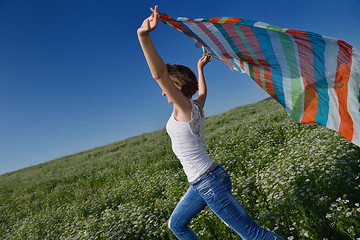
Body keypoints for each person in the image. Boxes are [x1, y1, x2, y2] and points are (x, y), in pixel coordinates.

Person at [137, 5, 285, 240]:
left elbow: (159, 75)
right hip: (207, 179)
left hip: (208, 182)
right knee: (177, 224)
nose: (163, 93)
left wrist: (143, 36)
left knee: (253, 235)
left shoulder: (185, 107)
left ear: (175, 85)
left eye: (166, 88)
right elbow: (202, 92)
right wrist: (200, 68)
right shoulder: (195, 107)